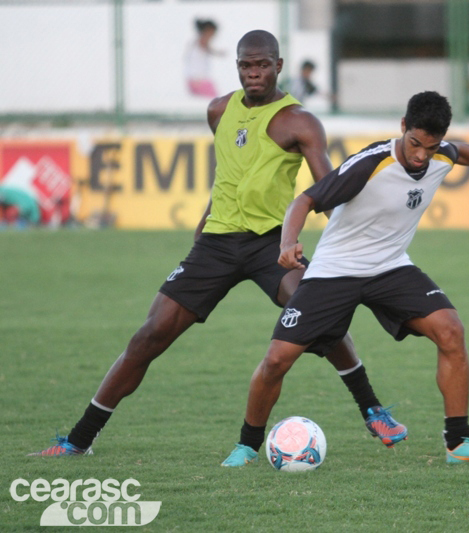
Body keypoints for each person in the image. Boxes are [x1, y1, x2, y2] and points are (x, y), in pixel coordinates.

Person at [30, 30, 406, 464]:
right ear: (237, 67)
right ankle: (79, 439)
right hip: (216, 244)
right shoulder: (219, 110)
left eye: (262, 65)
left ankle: (372, 410)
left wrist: (356, 234)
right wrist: (207, 218)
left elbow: (329, 189)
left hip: (271, 244)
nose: (253, 73)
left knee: (316, 311)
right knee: (149, 335)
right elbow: (230, 168)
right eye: (246, 65)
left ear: (278, 66)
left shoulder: (299, 121)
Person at [223, 91, 469, 464]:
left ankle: (458, 444)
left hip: (390, 267)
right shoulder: (371, 163)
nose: (421, 155)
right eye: (414, 143)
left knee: (451, 331)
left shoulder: (441, 154)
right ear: (402, 127)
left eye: (430, 147)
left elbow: (461, 151)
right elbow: (305, 201)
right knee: (276, 361)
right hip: (335, 270)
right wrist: (288, 243)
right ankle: (247, 445)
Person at [184, 19, 224, 98]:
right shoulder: (201, 41)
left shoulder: (195, 43)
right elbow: (208, 48)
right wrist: (219, 53)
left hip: (195, 80)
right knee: (215, 99)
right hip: (198, 80)